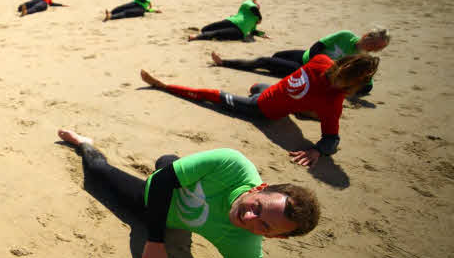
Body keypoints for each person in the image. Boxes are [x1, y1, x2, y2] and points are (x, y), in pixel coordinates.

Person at [57, 130, 319, 258]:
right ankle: (85, 144)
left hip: (180, 201)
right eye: (257, 207)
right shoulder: (232, 164)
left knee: (171, 168)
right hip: (154, 199)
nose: (249, 219)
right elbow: (160, 184)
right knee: (100, 173)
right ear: (261, 187)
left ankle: (175, 166)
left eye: (264, 227)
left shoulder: (246, 246)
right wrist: (156, 240)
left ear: (275, 238)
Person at [140, 52, 380, 167]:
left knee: (215, 97)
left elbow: (331, 139)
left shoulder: (327, 82)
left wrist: (318, 151)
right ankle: (166, 86)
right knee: (256, 85)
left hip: (262, 110)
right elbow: (331, 137)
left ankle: (165, 86)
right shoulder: (326, 79)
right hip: (269, 93)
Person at [211, 28, 390, 95]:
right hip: (305, 58)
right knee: (276, 56)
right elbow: (318, 46)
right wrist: (312, 62)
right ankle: (280, 68)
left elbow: (368, 85)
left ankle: (224, 62)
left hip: (310, 73)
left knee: (264, 62)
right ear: (366, 35)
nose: (373, 48)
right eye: (372, 43)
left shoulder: (363, 59)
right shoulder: (345, 35)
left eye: (377, 48)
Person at [188, 0, 267, 41]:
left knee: (217, 33)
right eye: (258, 4)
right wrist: (260, 18)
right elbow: (253, 8)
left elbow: (253, 31)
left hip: (240, 32)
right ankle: (203, 34)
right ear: (254, 1)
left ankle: (196, 37)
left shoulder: (256, 17)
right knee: (206, 28)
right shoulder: (247, 4)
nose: (258, 7)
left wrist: (261, 34)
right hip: (232, 21)